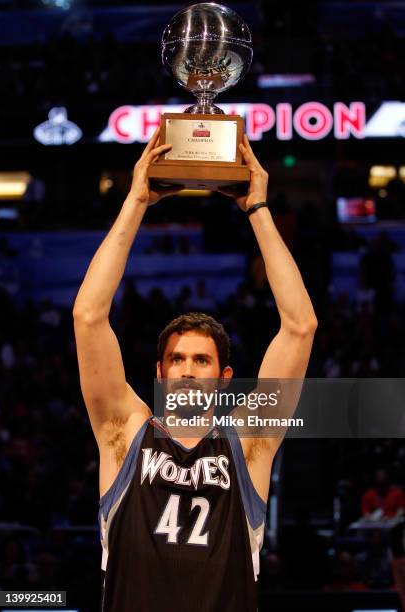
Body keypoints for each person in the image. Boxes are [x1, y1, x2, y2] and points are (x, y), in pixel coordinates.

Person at [73, 128, 317, 611]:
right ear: (160, 373)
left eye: (201, 360)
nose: (187, 370)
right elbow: (87, 317)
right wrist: (136, 201)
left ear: (224, 377)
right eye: (178, 359)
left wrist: (258, 210)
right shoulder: (124, 433)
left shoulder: (248, 444)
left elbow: (300, 326)